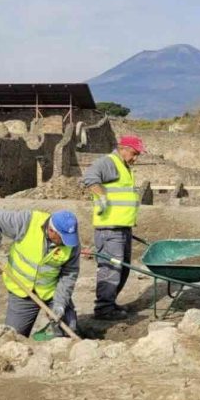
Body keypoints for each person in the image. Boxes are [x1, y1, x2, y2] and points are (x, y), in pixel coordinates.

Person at [0, 209, 80, 338]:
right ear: (51, 230)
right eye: (62, 238)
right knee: (15, 336)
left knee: (69, 328)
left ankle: (43, 338)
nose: (66, 243)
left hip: (51, 291)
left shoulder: (71, 242)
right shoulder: (28, 222)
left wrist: (60, 304)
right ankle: (33, 343)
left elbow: (69, 274)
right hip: (22, 291)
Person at [82, 135, 145, 321]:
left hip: (122, 228)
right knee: (111, 268)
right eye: (134, 153)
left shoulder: (123, 166)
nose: (136, 158)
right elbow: (90, 177)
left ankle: (110, 303)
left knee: (123, 269)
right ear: (123, 148)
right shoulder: (109, 162)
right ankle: (103, 309)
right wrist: (101, 197)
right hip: (109, 229)